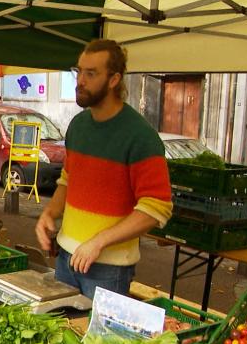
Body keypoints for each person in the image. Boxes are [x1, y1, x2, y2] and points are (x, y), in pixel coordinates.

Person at [34, 39, 173, 298]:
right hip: (65, 258)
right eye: (79, 71)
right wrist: (50, 213)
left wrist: (99, 242)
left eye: (91, 73)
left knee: (98, 340)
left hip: (109, 270)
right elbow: (68, 179)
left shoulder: (140, 136)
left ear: (113, 80)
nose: (80, 81)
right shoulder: (78, 126)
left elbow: (156, 208)